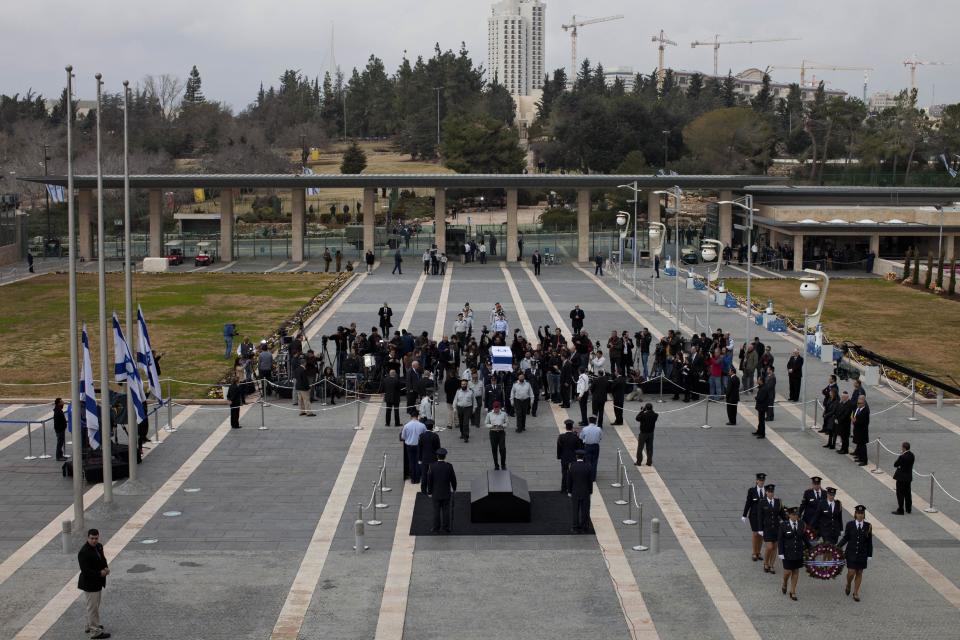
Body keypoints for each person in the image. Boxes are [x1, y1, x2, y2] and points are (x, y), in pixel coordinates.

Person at [77, 528, 111, 639]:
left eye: (96, 538)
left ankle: (90, 625)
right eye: (92, 538)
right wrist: (99, 573)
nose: (94, 541)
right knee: (93, 608)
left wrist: (105, 568)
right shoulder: (83, 552)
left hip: (97, 582)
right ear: (88, 538)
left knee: (93, 606)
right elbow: (85, 571)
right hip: (89, 584)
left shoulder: (99, 546)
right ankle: (95, 631)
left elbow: (102, 559)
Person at [837, 505, 873, 601]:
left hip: (862, 553)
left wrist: (869, 555)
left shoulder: (868, 526)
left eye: (862, 513)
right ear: (855, 514)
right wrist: (837, 547)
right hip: (851, 553)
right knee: (851, 572)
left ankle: (856, 593)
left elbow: (869, 542)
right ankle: (848, 584)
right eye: (858, 513)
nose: (860, 515)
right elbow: (846, 538)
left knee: (859, 572)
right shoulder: (850, 524)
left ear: (864, 515)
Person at [778, 507, 809, 601]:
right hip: (787, 552)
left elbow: (804, 537)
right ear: (789, 515)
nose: (796, 516)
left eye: (797, 515)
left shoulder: (801, 524)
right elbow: (780, 539)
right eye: (794, 515)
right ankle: (784, 583)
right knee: (788, 572)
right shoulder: (784, 525)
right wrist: (781, 552)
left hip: (798, 552)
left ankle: (793, 591)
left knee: (795, 571)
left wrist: (811, 547)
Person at [426, 448, 457, 534]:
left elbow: (429, 480)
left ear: (437, 456)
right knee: (446, 511)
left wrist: (429, 492)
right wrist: (454, 488)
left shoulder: (432, 466)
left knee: (436, 511)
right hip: (446, 492)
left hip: (436, 493)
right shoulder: (449, 466)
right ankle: (446, 527)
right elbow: (453, 479)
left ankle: (436, 528)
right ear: (445, 456)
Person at [759, 484, 785, 574]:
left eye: (772, 492)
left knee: (775, 547)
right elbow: (760, 516)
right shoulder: (762, 502)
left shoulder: (778, 502)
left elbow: (782, 514)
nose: (771, 493)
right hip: (767, 528)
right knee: (769, 547)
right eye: (769, 492)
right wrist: (760, 529)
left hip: (776, 528)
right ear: (766, 492)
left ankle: (771, 565)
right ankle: (766, 563)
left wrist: (788, 522)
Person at [741, 472, 767, 562]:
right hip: (754, 516)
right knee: (755, 534)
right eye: (760, 480)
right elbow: (748, 503)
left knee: (761, 535)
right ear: (756, 481)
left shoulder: (767, 490)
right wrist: (744, 515)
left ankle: (759, 552)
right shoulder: (752, 490)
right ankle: (754, 552)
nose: (761, 482)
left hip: (764, 516)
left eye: (763, 480)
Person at [567, 449, 593, 533]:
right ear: (583, 457)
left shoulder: (572, 466)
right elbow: (590, 480)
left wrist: (569, 491)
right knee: (585, 510)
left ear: (576, 456)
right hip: (585, 492)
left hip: (575, 491)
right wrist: (590, 491)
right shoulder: (588, 466)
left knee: (575, 510)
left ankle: (575, 527)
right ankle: (584, 527)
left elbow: (569, 480)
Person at [400, 409, 427, 485]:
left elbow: (403, 437)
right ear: (417, 416)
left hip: (409, 446)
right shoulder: (422, 425)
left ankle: (413, 478)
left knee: (411, 462)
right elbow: (425, 435)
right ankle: (418, 479)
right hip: (419, 446)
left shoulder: (406, 426)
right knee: (418, 461)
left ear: (411, 417)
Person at [557, 419, 582, 492]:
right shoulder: (575, 437)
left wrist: (559, 456)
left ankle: (563, 488)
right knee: (573, 474)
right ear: (572, 428)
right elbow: (579, 448)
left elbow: (559, 447)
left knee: (564, 473)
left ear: (566, 427)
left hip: (564, 458)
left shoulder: (561, 437)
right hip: (573, 458)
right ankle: (571, 488)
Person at [417, 420, 441, 495]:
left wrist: (419, 458)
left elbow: (419, 448)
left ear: (426, 427)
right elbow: (438, 448)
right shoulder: (435, 436)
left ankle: (423, 490)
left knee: (424, 475)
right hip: (433, 459)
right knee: (433, 475)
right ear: (432, 427)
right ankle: (431, 490)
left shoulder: (421, 436)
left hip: (424, 458)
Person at [892, 442, 915, 515]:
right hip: (908, 477)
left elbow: (895, 464)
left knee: (900, 494)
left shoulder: (902, 456)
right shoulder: (912, 455)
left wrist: (901, 455)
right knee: (908, 493)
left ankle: (900, 509)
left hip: (901, 478)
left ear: (904, 448)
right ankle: (908, 509)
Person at [485, 400, 507, 469]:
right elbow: (486, 423)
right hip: (493, 432)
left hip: (501, 432)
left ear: (499, 407)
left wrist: (502, 425)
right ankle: (496, 465)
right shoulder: (489, 414)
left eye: (497, 408)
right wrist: (491, 426)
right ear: (493, 407)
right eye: (495, 408)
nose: (496, 409)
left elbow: (507, 423)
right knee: (494, 449)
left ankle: (503, 464)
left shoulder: (503, 414)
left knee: (502, 449)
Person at [580, 416, 603, 482]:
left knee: (587, 461)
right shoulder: (599, 429)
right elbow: (601, 437)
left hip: (587, 446)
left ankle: (588, 476)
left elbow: (581, 437)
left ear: (589, 421)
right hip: (596, 446)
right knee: (595, 462)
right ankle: (593, 477)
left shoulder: (585, 429)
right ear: (595, 421)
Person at [851, 396, 870, 466]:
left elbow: (864, 422)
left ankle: (864, 460)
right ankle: (860, 457)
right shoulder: (858, 408)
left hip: (862, 432)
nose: (858, 404)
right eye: (858, 403)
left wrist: (855, 421)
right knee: (859, 445)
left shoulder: (865, 411)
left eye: (860, 403)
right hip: (857, 430)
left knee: (862, 447)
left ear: (864, 403)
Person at [834, 390, 853, 454]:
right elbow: (838, 411)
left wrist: (839, 420)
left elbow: (846, 414)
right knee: (842, 437)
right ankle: (842, 448)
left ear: (846, 397)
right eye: (841, 396)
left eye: (843, 397)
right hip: (841, 424)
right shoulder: (842, 402)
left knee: (845, 438)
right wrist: (836, 418)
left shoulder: (849, 404)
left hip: (845, 424)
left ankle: (845, 450)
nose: (841, 398)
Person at [754, 373, 772, 438]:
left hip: (762, 407)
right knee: (760, 420)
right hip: (761, 407)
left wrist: (756, 398)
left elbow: (761, 398)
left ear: (761, 381)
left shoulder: (764, 388)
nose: (757, 381)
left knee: (762, 421)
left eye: (758, 380)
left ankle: (762, 433)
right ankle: (759, 431)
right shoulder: (762, 387)